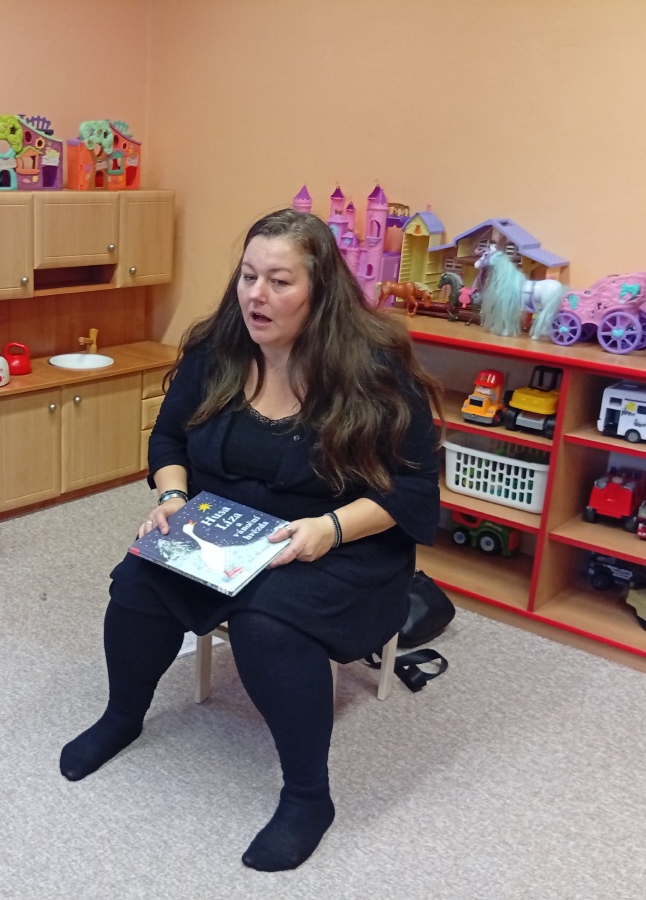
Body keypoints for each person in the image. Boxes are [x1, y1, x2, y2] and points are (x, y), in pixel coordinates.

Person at [60, 208, 442, 871]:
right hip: (229, 527)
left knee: (268, 625)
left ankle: (308, 797)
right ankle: (122, 716)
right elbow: (168, 438)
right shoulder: (216, 351)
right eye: (247, 276)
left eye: (279, 281)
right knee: (139, 580)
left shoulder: (373, 369)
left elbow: (413, 489)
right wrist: (172, 499)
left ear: (320, 293)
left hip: (341, 542)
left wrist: (328, 529)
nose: (256, 295)